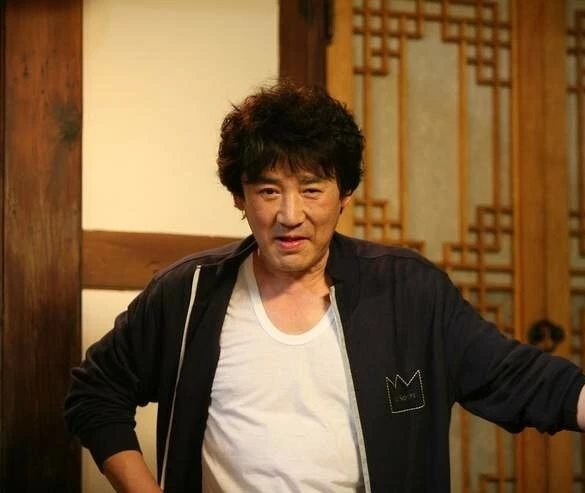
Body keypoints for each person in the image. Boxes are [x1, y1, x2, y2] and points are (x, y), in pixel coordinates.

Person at [65, 81, 585, 493]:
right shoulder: (190, 293)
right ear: (240, 197)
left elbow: (516, 377)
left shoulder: (408, 292)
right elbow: (96, 391)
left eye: (312, 189)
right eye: (268, 191)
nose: (290, 215)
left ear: (345, 194)